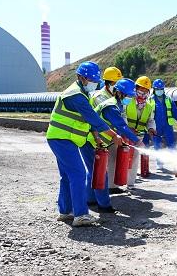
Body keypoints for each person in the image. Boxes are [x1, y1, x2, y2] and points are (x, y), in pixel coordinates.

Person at [46, 61, 122, 227]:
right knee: (78, 174)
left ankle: (65, 211)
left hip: (62, 138)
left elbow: (85, 122)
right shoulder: (76, 95)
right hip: (62, 139)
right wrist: (113, 134)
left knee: (67, 175)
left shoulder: (81, 93)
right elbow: (93, 118)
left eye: (95, 80)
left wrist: (96, 137)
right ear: (80, 77)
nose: (93, 83)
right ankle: (80, 215)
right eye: (90, 79)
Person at [86, 78, 143, 199]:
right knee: (94, 170)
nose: (130, 98)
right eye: (128, 95)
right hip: (92, 139)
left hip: (102, 140)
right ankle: (91, 199)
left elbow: (120, 125)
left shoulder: (118, 105)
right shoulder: (111, 106)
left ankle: (96, 197)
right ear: (119, 93)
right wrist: (137, 141)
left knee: (100, 168)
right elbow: (121, 126)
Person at [125, 76, 156, 187]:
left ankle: (130, 184)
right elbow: (122, 116)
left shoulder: (148, 107)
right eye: (141, 89)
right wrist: (127, 129)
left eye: (145, 90)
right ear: (136, 88)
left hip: (139, 137)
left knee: (134, 159)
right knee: (120, 158)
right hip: (125, 135)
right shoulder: (128, 101)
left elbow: (150, 120)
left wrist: (151, 129)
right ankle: (114, 184)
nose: (143, 92)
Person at [98, 66, 124, 193]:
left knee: (113, 159)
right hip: (101, 134)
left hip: (113, 135)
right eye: (116, 83)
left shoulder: (116, 97)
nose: (117, 86)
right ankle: (99, 189)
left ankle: (111, 186)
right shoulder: (100, 96)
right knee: (100, 162)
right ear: (108, 82)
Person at [151, 79, 177, 170]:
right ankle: (159, 163)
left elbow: (175, 112)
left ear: (163, 89)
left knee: (171, 143)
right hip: (156, 126)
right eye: (157, 89)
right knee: (157, 144)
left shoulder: (169, 99)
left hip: (167, 125)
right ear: (154, 89)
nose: (159, 91)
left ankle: (174, 163)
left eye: (161, 89)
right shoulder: (150, 100)